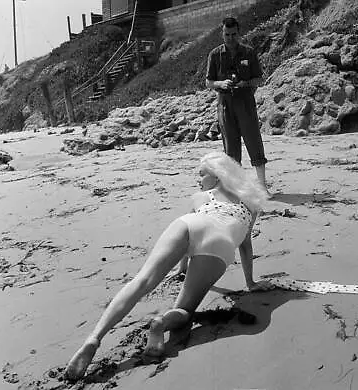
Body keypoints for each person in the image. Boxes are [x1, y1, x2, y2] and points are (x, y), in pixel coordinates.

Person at [64, 152, 272, 381]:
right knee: (184, 311)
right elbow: (245, 245)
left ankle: (93, 338)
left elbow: (193, 236)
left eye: (202, 175)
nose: (198, 180)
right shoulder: (251, 206)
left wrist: (182, 265)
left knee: (141, 282)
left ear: (218, 178)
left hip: (189, 224)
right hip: (220, 244)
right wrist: (250, 282)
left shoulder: (201, 198)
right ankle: (161, 324)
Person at [206, 17, 270, 196]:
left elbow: (259, 78)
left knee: (254, 142)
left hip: (245, 102)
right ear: (222, 33)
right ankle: (236, 188)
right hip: (225, 104)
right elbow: (208, 82)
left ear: (239, 33)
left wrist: (245, 83)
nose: (230, 38)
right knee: (230, 148)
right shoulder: (215, 54)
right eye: (227, 35)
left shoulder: (249, 53)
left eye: (234, 34)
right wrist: (221, 83)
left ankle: (263, 186)